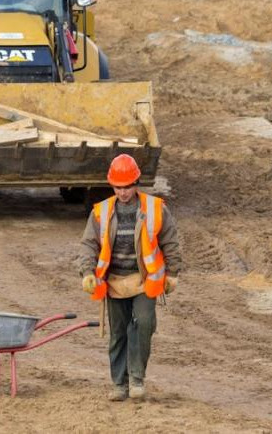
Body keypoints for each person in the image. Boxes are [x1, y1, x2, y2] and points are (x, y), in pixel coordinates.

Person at [76, 153, 183, 401]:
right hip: (114, 283)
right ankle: (119, 384)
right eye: (118, 187)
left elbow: (171, 242)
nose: (123, 192)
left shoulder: (155, 209)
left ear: (136, 183)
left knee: (143, 325)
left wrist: (173, 273)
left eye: (128, 186)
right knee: (119, 334)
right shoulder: (101, 212)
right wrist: (87, 272)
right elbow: (88, 245)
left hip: (144, 281)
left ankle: (136, 379)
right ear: (112, 185)